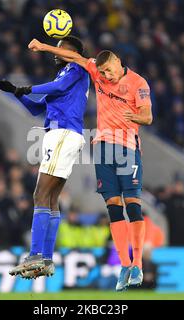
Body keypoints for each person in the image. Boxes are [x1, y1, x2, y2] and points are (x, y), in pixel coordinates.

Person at [28, 38, 153, 290]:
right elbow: (74, 58)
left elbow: (148, 116)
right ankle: (125, 266)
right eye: (103, 72)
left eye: (109, 71)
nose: (106, 75)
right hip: (103, 148)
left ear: (118, 61)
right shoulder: (97, 71)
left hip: (128, 148)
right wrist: (43, 47)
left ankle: (138, 264)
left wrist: (135, 116)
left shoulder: (138, 83)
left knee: (133, 206)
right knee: (113, 208)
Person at [0, 36, 89, 279]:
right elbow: (37, 108)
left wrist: (29, 87)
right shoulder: (64, 78)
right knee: (51, 198)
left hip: (62, 134)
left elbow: (54, 89)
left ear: (74, 52)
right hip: (64, 135)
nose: (56, 53)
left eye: (62, 48)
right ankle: (45, 259)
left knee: (40, 195)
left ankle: (35, 255)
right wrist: (16, 92)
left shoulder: (77, 68)